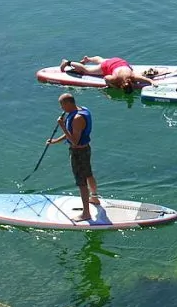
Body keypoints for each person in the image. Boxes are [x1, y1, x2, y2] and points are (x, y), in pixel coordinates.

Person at [48, 93, 99, 221]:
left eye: (62, 105)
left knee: (81, 182)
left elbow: (74, 140)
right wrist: (55, 141)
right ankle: (94, 197)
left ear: (68, 103)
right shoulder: (83, 109)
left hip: (78, 153)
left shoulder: (77, 118)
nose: (61, 108)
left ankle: (86, 213)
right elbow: (73, 133)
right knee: (88, 174)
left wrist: (62, 126)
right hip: (86, 149)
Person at [59, 56, 156, 93]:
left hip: (117, 61)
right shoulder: (116, 78)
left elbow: (147, 80)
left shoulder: (133, 77)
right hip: (110, 66)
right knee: (86, 70)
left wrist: (152, 82)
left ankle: (88, 59)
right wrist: (112, 86)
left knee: (101, 60)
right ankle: (67, 62)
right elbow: (106, 78)